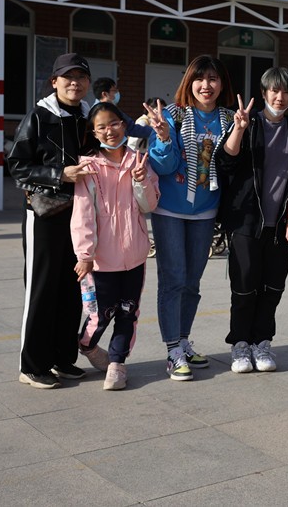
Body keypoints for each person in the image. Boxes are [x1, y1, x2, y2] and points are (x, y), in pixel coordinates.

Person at [144, 55, 235, 381]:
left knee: (192, 281)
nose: (206, 85)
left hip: (205, 211)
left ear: (221, 84)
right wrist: (164, 137)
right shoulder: (172, 114)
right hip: (170, 210)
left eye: (213, 78)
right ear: (189, 82)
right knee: (173, 279)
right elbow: (163, 166)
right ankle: (172, 349)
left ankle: (183, 339)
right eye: (199, 78)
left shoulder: (228, 119)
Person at [7, 53, 94, 389]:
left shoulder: (90, 116)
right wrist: (59, 175)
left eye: (81, 77)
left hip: (80, 216)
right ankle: (32, 366)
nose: (75, 83)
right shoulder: (39, 116)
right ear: (54, 81)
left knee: (71, 289)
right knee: (41, 289)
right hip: (44, 214)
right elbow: (18, 165)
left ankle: (62, 358)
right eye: (68, 77)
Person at [215, 67, 288, 374]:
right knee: (244, 286)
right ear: (264, 93)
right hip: (247, 220)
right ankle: (240, 344)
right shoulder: (249, 123)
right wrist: (238, 129)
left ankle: (262, 342)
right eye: (274, 91)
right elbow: (226, 161)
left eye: (286, 91)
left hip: (280, 223)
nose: (280, 97)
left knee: (273, 287)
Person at [71, 103, 160, 390]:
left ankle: (117, 363)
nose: (109, 131)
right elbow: (83, 214)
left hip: (134, 255)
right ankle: (86, 344)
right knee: (101, 314)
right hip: (100, 260)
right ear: (93, 132)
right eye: (101, 127)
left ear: (124, 125)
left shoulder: (139, 160)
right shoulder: (88, 166)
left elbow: (149, 204)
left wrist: (141, 180)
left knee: (128, 312)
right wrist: (85, 255)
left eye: (114, 123)